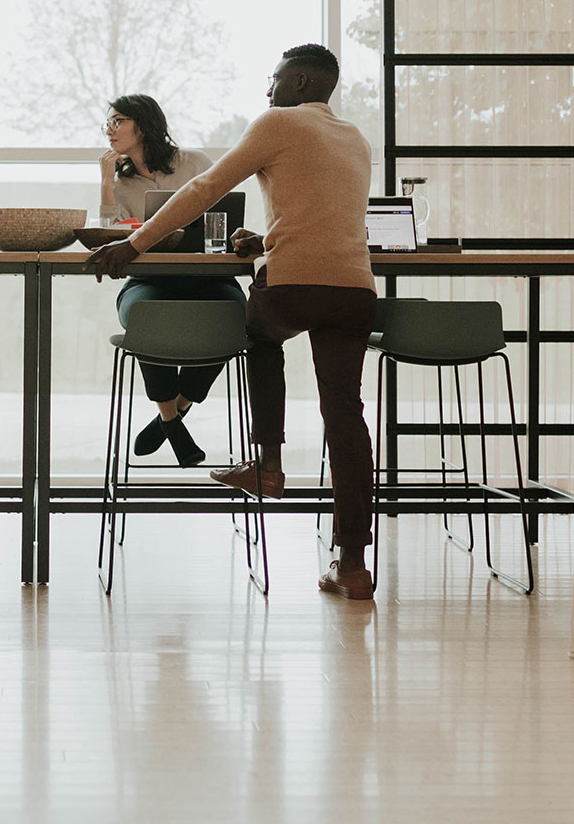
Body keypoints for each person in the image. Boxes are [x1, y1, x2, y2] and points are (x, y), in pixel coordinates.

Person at [86, 44, 380, 600]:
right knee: (346, 416)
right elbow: (320, 218)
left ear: (300, 83)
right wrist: (263, 240)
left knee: (257, 333)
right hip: (355, 292)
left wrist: (136, 242)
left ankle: (268, 464)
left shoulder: (277, 121)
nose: (266, 89)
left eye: (274, 79)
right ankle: (353, 567)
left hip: (292, 286)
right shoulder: (354, 137)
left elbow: (203, 190)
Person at [98, 94, 243, 468]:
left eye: (117, 121)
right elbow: (112, 235)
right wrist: (104, 182)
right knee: (146, 315)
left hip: (207, 276)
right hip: (150, 280)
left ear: (142, 125)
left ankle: (171, 415)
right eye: (107, 124)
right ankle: (171, 421)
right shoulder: (122, 183)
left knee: (237, 314)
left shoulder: (194, 162)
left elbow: (225, 212)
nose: (109, 131)